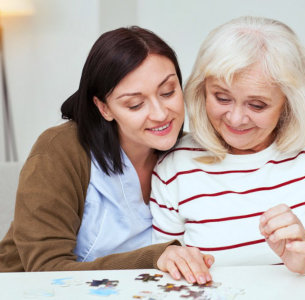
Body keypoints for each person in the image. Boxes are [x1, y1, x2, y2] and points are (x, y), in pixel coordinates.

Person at [150, 16, 305, 275]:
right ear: (201, 90)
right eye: (222, 98)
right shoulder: (174, 166)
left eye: (257, 105)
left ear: (287, 104)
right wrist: (170, 258)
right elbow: (162, 267)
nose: (235, 118)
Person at [0, 26, 213, 284]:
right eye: (135, 104)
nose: (160, 114)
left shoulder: (187, 152)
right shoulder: (59, 151)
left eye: (168, 91)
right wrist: (154, 258)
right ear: (103, 107)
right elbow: (46, 270)